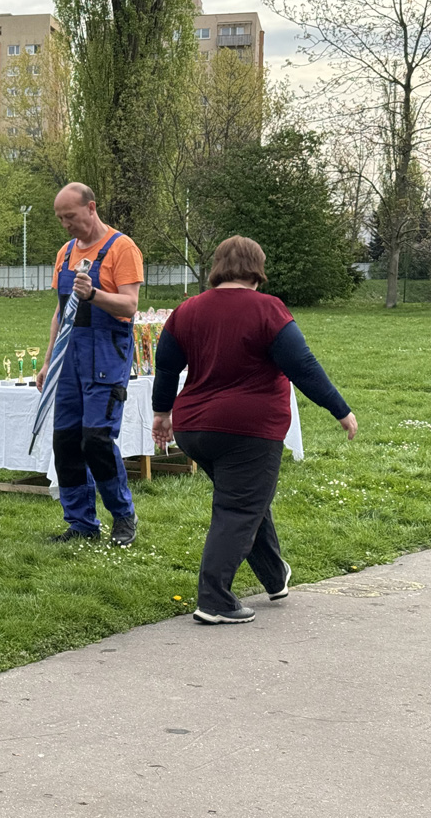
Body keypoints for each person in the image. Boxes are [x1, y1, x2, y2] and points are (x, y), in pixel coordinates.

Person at [151, 235, 357, 624]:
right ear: (257, 270)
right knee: (239, 507)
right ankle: (215, 600)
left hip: (194, 427)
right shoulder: (268, 309)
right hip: (249, 429)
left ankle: (274, 577)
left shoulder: (186, 310)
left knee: (246, 498)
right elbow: (303, 367)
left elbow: (166, 366)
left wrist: (162, 413)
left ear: (218, 267)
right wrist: (340, 409)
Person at [36, 182, 144, 546]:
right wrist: (49, 361)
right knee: (66, 441)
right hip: (69, 360)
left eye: (70, 216)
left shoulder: (122, 248)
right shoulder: (65, 253)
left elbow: (130, 305)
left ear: (91, 208)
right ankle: (81, 523)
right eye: (60, 218)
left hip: (106, 357)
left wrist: (94, 294)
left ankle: (123, 515)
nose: (65, 224)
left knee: (96, 439)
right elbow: (60, 312)